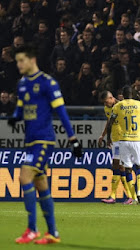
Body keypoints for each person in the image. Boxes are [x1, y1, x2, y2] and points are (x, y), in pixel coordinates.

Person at [8, 45, 82, 244]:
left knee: (25, 177)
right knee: (41, 185)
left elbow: (62, 112)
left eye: (21, 60)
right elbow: (22, 105)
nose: (18, 64)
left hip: (43, 140)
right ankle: (53, 233)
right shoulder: (23, 83)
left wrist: (72, 139)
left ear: (32, 60)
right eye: (17, 61)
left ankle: (32, 229)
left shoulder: (48, 83)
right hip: (30, 141)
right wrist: (15, 117)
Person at [107, 86, 140, 204]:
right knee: (139, 166)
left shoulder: (117, 106)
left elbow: (110, 122)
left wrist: (108, 138)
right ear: (133, 95)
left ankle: (133, 196)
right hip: (137, 140)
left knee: (127, 169)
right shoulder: (139, 104)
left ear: (122, 95)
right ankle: (139, 192)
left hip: (123, 140)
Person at [99, 91, 133, 205]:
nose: (106, 104)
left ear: (111, 97)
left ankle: (126, 196)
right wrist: (103, 136)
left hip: (124, 139)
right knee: (117, 166)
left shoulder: (123, 106)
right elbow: (109, 122)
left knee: (121, 166)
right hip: (115, 140)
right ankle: (122, 196)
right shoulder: (107, 109)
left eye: (106, 101)